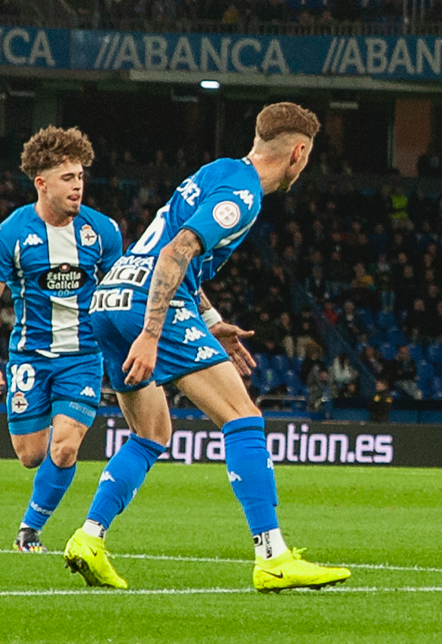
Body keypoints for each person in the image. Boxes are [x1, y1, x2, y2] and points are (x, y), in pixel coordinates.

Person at [63, 103, 349, 593]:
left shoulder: (218, 171)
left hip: (109, 299)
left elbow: (173, 252)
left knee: (151, 433)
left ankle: (89, 538)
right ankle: (273, 556)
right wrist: (152, 334)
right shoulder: (243, 196)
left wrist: (213, 322)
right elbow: (176, 253)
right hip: (146, 304)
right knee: (243, 418)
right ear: (298, 153)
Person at [0, 127, 123, 553]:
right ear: (41, 183)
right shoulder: (11, 234)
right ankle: (32, 518)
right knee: (31, 455)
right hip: (30, 358)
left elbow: (118, 293)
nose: (77, 186)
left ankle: (29, 529)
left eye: (80, 177)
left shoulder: (103, 232)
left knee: (65, 446)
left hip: (83, 356)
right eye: (67, 178)